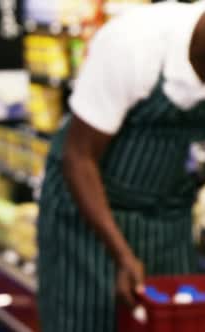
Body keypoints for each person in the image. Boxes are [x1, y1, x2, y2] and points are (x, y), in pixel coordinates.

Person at [37, 2, 205, 331]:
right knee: (87, 321)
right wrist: (123, 256)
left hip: (169, 219)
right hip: (89, 220)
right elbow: (79, 157)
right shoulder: (135, 44)